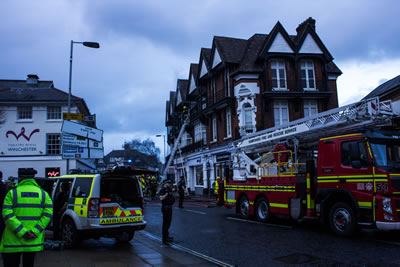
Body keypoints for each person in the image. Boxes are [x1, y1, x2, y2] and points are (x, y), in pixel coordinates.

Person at [0, 168, 53, 267]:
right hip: (32, 241)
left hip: (13, 241)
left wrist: (22, 232)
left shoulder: (12, 193)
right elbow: (47, 215)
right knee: (29, 263)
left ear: (20, 178)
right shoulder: (43, 194)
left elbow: (7, 215)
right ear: (33, 178)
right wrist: (35, 231)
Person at [159, 179, 175, 243]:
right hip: (165, 208)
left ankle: (167, 236)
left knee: (168, 223)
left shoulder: (169, 190)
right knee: (165, 224)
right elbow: (161, 198)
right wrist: (166, 194)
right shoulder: (162, 190)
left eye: (170, 183)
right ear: (165, 184)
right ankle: (164, 238)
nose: (170, 184)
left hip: (169, 208)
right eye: (168, 183)